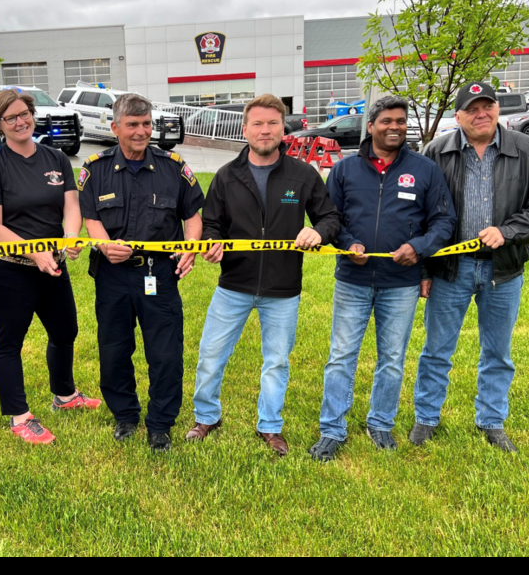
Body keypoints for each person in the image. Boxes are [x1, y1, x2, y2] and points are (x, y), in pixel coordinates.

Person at [189, 94, 342, 456]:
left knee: (276, 361)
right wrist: (213, 242)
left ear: (283, 128)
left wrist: (319, 233)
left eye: (272, 123)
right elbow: (212, 223)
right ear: (245, 129)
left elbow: (331, 217)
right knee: (211, 354)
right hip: (234, 285)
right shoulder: (227, 176)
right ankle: (206, 416)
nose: (265, 130)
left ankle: (270, 426)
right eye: (257, 123)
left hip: (282, 289)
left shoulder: (303, 175)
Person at [412, 81, 529, 453]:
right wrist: (424, 270)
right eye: (472, 109)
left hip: (503, 271)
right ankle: (426, 418)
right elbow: (418, 215)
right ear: (458, 116)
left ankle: (491, 421)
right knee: (436, 350)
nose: (482, 114)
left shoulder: (525, 149)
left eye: (488, 106)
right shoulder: (436, 152)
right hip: (451, 270)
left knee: (497, 351)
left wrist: (508, 231)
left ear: (498, 109)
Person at [310, 96, 456, 463]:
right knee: (341, 356)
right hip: (352, 279)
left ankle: (380, 423)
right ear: (371, 125)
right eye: (387, 121)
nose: (395, 127)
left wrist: (418, 247)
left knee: (391, 357)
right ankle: (332, 429)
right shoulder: (344, 170)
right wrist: (348, 243)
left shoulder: (425, 170)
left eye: (401, 121)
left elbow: (443, 221)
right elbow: (331, 218)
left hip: (401, 282)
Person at [80, 93, 205, 452]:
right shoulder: (96, 168)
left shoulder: (172, 167)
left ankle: (160, 423)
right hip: (113, 276)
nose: (141, 132)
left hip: (160, 274)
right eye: (132, 125)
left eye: (146, 124)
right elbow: (91, 218)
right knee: (114, 350)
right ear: (115, 127)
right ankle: (125, 416)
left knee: (165, 353)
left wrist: (189, 247)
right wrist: (104, 245)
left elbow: (193, 217)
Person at [0, 90, 101, 446]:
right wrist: (34, 253)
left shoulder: (55, 158)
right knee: (9, 341)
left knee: (65, 332)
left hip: (52, 265)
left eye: (25, 113)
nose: (21, 121)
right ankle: (19, 416)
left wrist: (71, 236)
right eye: (11, 117)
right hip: (10, 267)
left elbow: (71, 205)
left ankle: (64, 395)